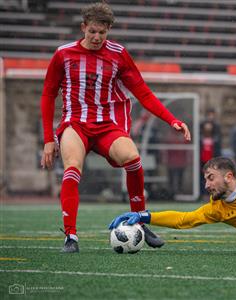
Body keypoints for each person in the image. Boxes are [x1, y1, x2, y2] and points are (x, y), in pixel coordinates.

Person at [40, 2, 191, 253]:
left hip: (108, 126)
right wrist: (48, 138)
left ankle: (140, 223)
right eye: (92, 32)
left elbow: (142, 92)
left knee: (133, 159)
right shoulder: (63, 54)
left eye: (102, 32)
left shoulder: (118, 54)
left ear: (109, 30)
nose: (97, 37)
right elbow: (47, 95)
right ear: (83, 28)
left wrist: (171, 119)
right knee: (72, 169)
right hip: (75, 124)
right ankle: (71, 237)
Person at [200, 121, 221, 196]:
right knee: (203, 179)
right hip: (203, 162)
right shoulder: (201, 139)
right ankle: (203, 194)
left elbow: (217, 151)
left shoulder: (215, 139)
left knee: (212, 179)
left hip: (212, 163)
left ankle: (212, 193)